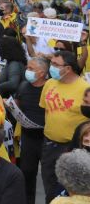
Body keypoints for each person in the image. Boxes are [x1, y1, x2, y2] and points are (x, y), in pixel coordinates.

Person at [40, 50, 90, 202]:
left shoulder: (84, 88)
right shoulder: (49, 84)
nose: (51, 67)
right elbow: (45, 109)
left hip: (73, 147)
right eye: (51, 63)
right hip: (49, 144)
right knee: (49, 185)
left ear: (68, 68)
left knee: (70, 188)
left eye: (56, 64)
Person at [18, 57, 49, 204]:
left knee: (49, 177)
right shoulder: (23, 86)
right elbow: (19, 105)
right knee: (27, 173)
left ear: (42, 73)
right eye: (27, 68)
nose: (27, 71)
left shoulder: (50, 89)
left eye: (31, 69)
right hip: (28, 138)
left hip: (46, 139)